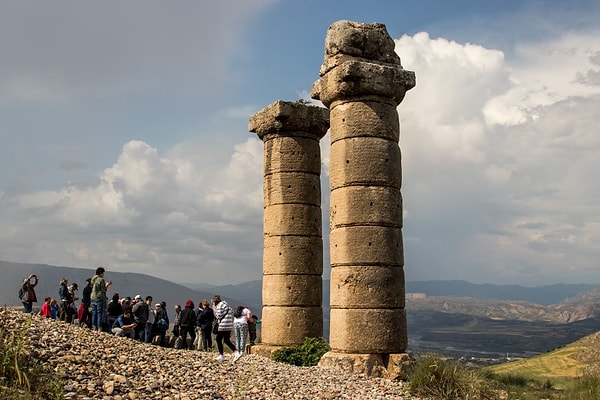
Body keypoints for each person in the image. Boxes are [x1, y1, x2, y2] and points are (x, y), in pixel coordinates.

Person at [212, 295, 240, 362]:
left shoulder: (219, 306)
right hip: (229, 325)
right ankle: (236, 352)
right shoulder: (227, 306)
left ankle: (221, 355)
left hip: (223, 326)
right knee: (226, 340)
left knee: (218, 339)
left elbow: (218, 316)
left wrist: (214, 309)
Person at [91, 267, 112, 332]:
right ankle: (99, 327)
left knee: (94, 313)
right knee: (99, 313)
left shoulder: (93, 279)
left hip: (93, 296)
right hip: (99, 297)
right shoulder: (101, 280)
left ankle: (94, 326)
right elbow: (103, 290)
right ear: (101, 273)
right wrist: (107, 285)